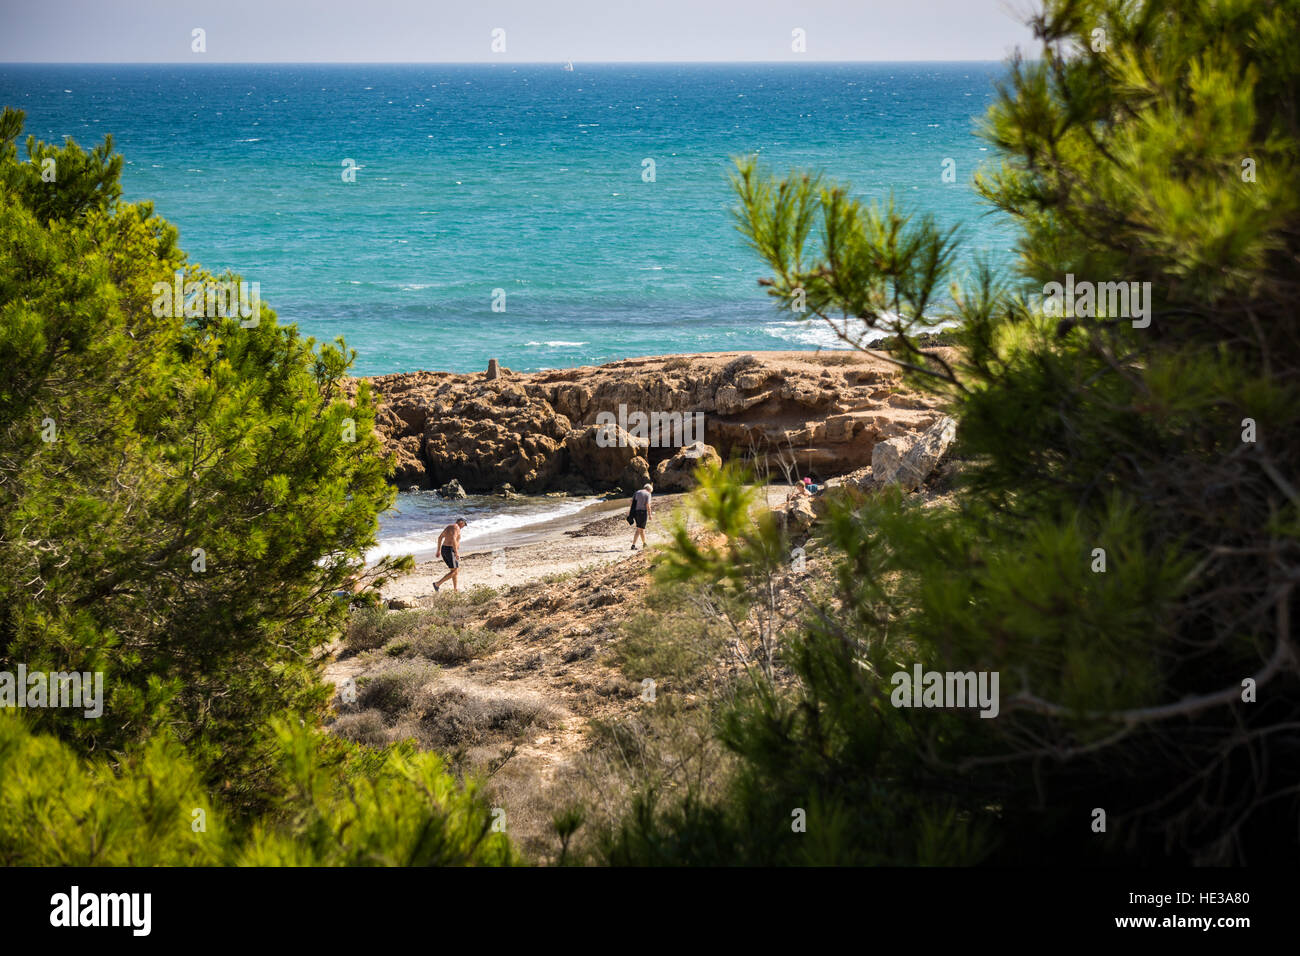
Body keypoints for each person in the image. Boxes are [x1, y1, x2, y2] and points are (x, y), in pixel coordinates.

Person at [433, 517, 467, 592]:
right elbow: (453, 539)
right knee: (455, 571)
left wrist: (438, 550)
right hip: (450, 550)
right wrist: (456, 552)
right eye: (464, 525)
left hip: (444, 549)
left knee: (454, 570)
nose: (463, 527)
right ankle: (437, 584)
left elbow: (440, 538)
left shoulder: (449, 527)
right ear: (461, 522)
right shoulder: (456, 527)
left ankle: (455, 589)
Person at [629, 483, 652, 550]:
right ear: (649, 489)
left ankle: (644, 544)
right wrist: (650, 515)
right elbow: (648, 505)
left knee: (641, 529)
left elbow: (631, 502)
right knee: (639, 529)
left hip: (636, 512)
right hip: (642, 513)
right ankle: (633, 545)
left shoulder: (637, 492)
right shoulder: (648, 494)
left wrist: (631, 512)